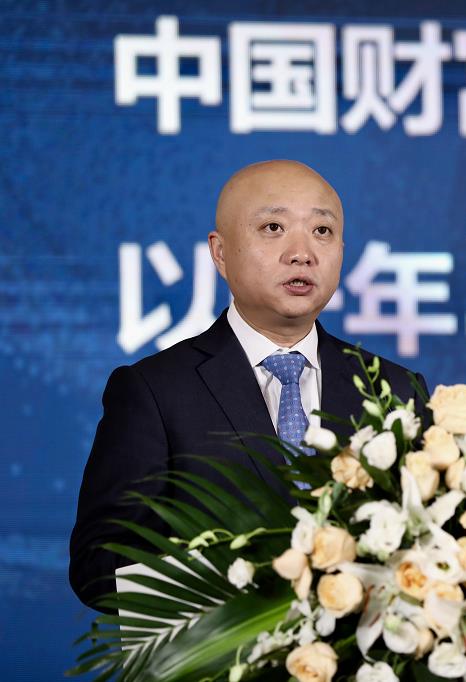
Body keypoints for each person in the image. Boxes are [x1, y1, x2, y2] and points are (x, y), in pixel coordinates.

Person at [69, 160, 429, 612]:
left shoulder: (395, 390)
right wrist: (245, 586)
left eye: (322, 231)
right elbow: (99, 565)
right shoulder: (155, 391)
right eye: (273, 227)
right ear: (220, 253)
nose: (302, 253)